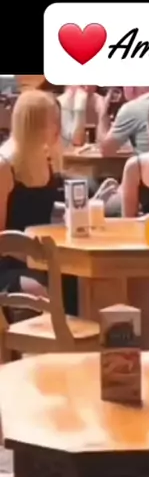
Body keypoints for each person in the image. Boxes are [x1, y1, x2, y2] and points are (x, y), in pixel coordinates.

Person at [0, 89, 77, 313]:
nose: (59, 128)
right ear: (34, 125)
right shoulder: (5, 167)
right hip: (9, 263)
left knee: (82, 283)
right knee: (43, 290)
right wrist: (35, 258)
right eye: (54, 121)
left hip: (44, 258)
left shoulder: (46, 160)